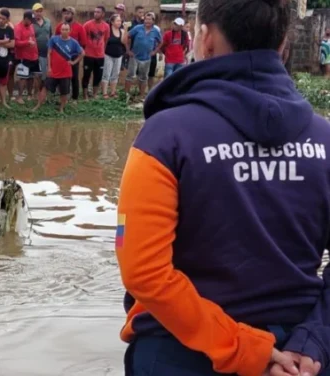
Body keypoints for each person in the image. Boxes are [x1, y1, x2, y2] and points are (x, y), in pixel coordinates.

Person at [117, 0, 330, 375]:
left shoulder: (165, 136)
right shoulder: (325, 137)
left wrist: (245, 349)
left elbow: (144, 272)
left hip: (181, 352)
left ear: (204, 39)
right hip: (302, 356)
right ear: (282, 43)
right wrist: (314, 341)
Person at [33, 23, 83, 114]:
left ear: (70, 31)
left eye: (66, 29)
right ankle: (38, 105)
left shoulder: (74, 42)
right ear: (60, 30)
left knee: (64, 92)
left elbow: (82, 53)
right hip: (53, 71)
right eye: (63, 29)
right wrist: (49, 67)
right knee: (45, 88)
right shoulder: (54, 39)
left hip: (66, 72)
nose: (64, 31)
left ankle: (61, 109)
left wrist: (74, 62)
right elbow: (49, 53)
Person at [125, 12, 160, 99]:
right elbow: (127, 36)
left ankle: (141, 96)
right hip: (134, 56)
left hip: (146, 58)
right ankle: (126, 95)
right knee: (130, 76)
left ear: (153, 21)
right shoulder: (137, 28)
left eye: (149, 19)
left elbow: (161, 42)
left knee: (143, 77)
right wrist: (128, 50)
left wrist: (155, 51)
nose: (147, 21)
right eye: (146, 19)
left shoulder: (155, 31)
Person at [54, 7, 86, 101]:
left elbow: (83, 43)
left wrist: (76, 56)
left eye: (68, 13)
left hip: (74, 57)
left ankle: (75, 98)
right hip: (62, 57)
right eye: (64, 13)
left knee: (74, 77)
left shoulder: (79, 27)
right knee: (63, 77)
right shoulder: (59, 26)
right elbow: (55, 41)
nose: (66, 15)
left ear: (73, 14)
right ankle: (64, 97)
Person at [82, 5, 109, 100]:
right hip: (88, 55)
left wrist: (102, 51)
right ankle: (85, 96)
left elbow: (105, 40)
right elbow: (82, 39)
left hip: (100, 56)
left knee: (98, 76)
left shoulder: (106, 26)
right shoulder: (87, 25)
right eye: (95, 12)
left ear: (103, 14)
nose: (95, 13)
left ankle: (94, 95)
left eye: (98, 12)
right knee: (86, 75)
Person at [13, 10, 39, 104]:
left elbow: (33, 38)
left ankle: (30, 95)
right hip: (23, 56)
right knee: (23, 77)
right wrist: (27, 42)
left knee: (32, 76)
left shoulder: (31, 26)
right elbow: (16, 43)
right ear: (26, 19)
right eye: (31, 20)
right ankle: (19, 97)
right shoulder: (18, 28)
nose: (32, 22)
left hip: (34, 55)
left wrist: (36, 52)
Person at [101, 14, 127, 99]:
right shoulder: (108, 30)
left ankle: (113, 92)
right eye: (117, 21)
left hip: (118, 56)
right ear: (112, 22)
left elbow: (124, 42)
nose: (120, 22)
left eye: (120, 21)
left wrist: (126, 30)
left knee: (115, 74)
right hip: (108, 55)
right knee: (106, 74)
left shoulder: (122, 31)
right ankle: (104, 93)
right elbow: (104, 42)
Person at [32, 3, 51, 92]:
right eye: (37, 11)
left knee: (45, 74)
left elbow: (50, 35)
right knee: (36, 75)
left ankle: (43, 93)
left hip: (46, 53)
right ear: (33, 12)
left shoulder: (48, 22)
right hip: (35, 53)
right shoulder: (31, 23)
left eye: (40, 11)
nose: (39, 13)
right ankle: (36, 93)